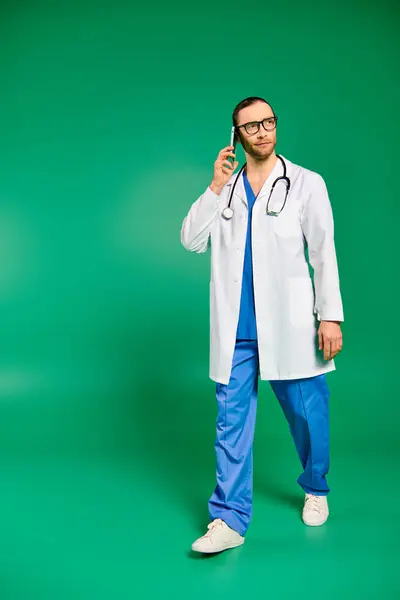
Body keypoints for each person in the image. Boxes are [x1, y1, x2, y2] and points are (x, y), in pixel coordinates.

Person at [180, 96, 344, 554]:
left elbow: (323, 251)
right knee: (230, 424)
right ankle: (229, 519)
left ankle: (316, 485)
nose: (264, 131)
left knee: (308, 415)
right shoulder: (226, 189)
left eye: (269, 122)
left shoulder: (306, 184)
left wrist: (329, 315)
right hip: (236, 332)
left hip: (290, 325)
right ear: (237, 136)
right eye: (251, 126)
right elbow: (191, 239)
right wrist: (214, 186)